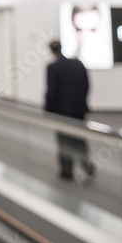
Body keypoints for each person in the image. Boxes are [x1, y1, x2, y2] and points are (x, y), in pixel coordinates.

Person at [44, 39, 95, 181]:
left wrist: (47, 110)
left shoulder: (53, 67)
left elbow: (51, 91)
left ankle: (67, 169)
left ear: (51, 51)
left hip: (61, 112)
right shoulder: (78, 64)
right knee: (79, 138)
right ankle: (86, 164)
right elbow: (87, 86)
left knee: (63, 140)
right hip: (78, 110)